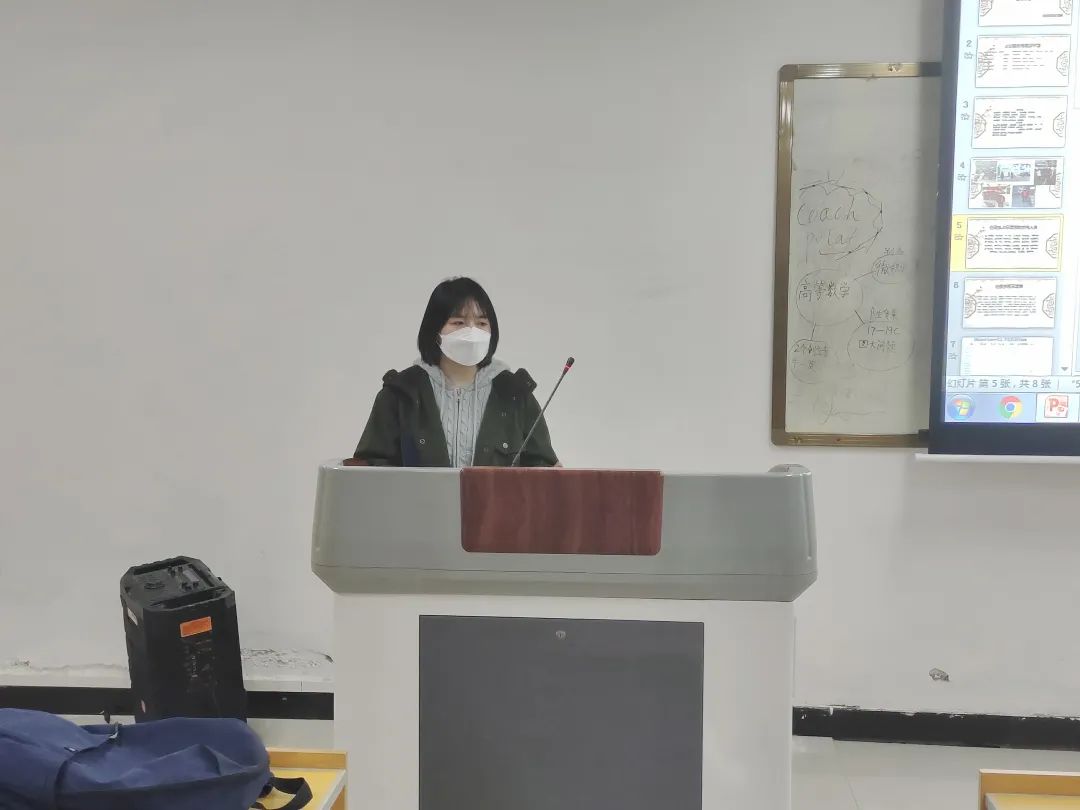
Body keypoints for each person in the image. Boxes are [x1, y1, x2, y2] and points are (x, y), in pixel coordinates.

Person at [348, 277, 560, 467]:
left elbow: (543, 470)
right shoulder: (402, 393)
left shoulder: (515, 395)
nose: (472, 332)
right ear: (435, 330)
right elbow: (371, 470)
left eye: (481, 323)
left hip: (494, 502)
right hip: (418, 501)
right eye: (458, 322)